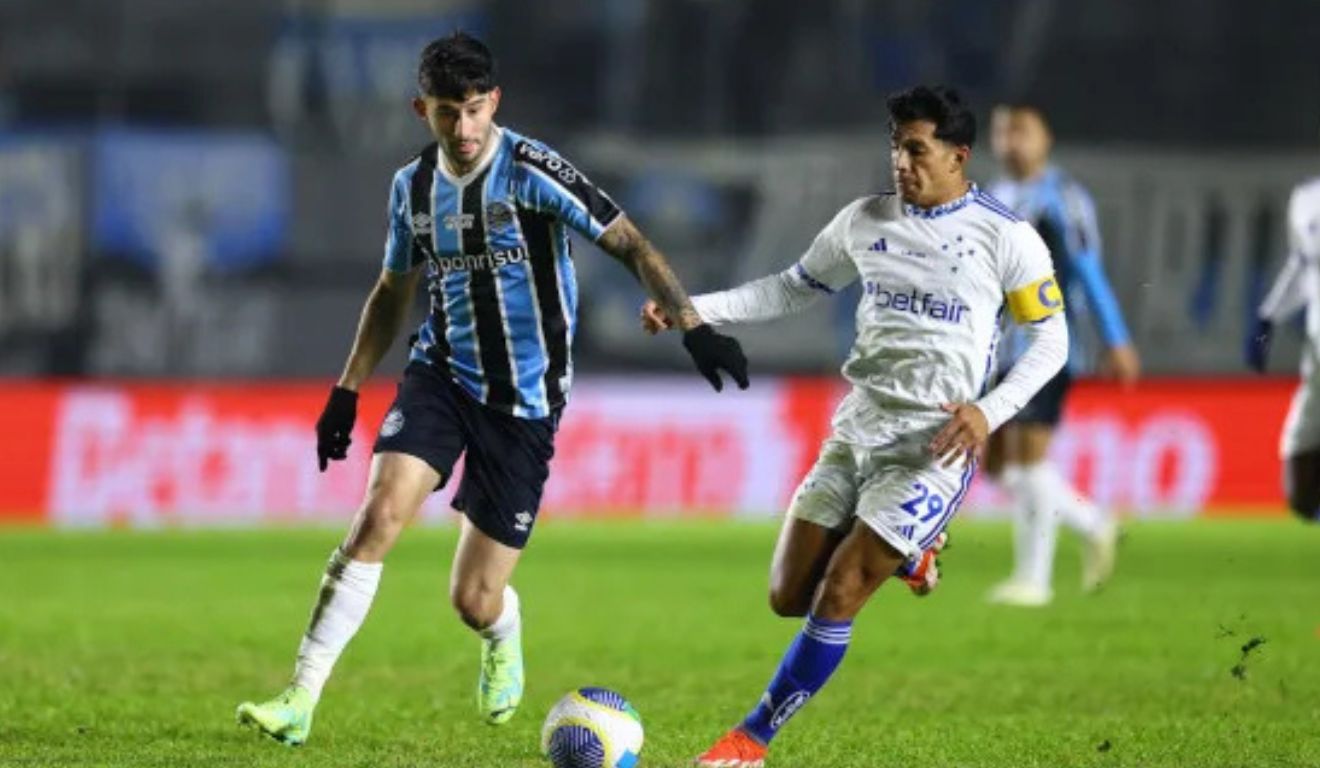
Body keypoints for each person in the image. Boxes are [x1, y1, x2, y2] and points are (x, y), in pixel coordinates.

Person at [235, 31, 749, 746]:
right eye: (449, 112)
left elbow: (628, 240)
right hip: (441, 374)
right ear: (424, 110)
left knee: (473, 600)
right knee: (378, 517)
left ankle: (502, 632)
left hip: (527, 403)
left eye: (476, 109)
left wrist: (694, 325)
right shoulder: (411, 189)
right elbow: (393, 290)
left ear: (494, 103)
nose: (465, 128)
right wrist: (347, 390)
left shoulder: (535, 170)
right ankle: (299, 698)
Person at [642, 85, 1068, 768]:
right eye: (896, 145)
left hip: (934, 444)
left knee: (839, 594)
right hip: (858, 427)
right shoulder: (864, 221)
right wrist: (693, 308)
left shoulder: (1007, 237)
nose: (902, 160)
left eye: (917, 148)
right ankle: (913, 552)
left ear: (959, 155)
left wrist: (988, 410)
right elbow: (789, 287)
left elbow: (1051, 342)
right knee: (788, 596)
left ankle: (750, 741)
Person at [981, 103, 1140, 606]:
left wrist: (1115, 338)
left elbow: (1088, 270)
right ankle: (1094, 522)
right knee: (996, 465)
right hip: (1000, 348)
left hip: (1045, 346)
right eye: (1004, 131)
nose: (1011, 141)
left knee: (1029, 462)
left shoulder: (1063, 199)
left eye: (1022, 130)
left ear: (1046, 138)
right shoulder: (991, 198)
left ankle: (1034, 580)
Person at [1246, 176, 1320, 523]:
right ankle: (1306, 502)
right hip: (1317, 340)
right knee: (1303, 432)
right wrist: (1268, 317)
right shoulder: (1306, 199)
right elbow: (1301, 267)